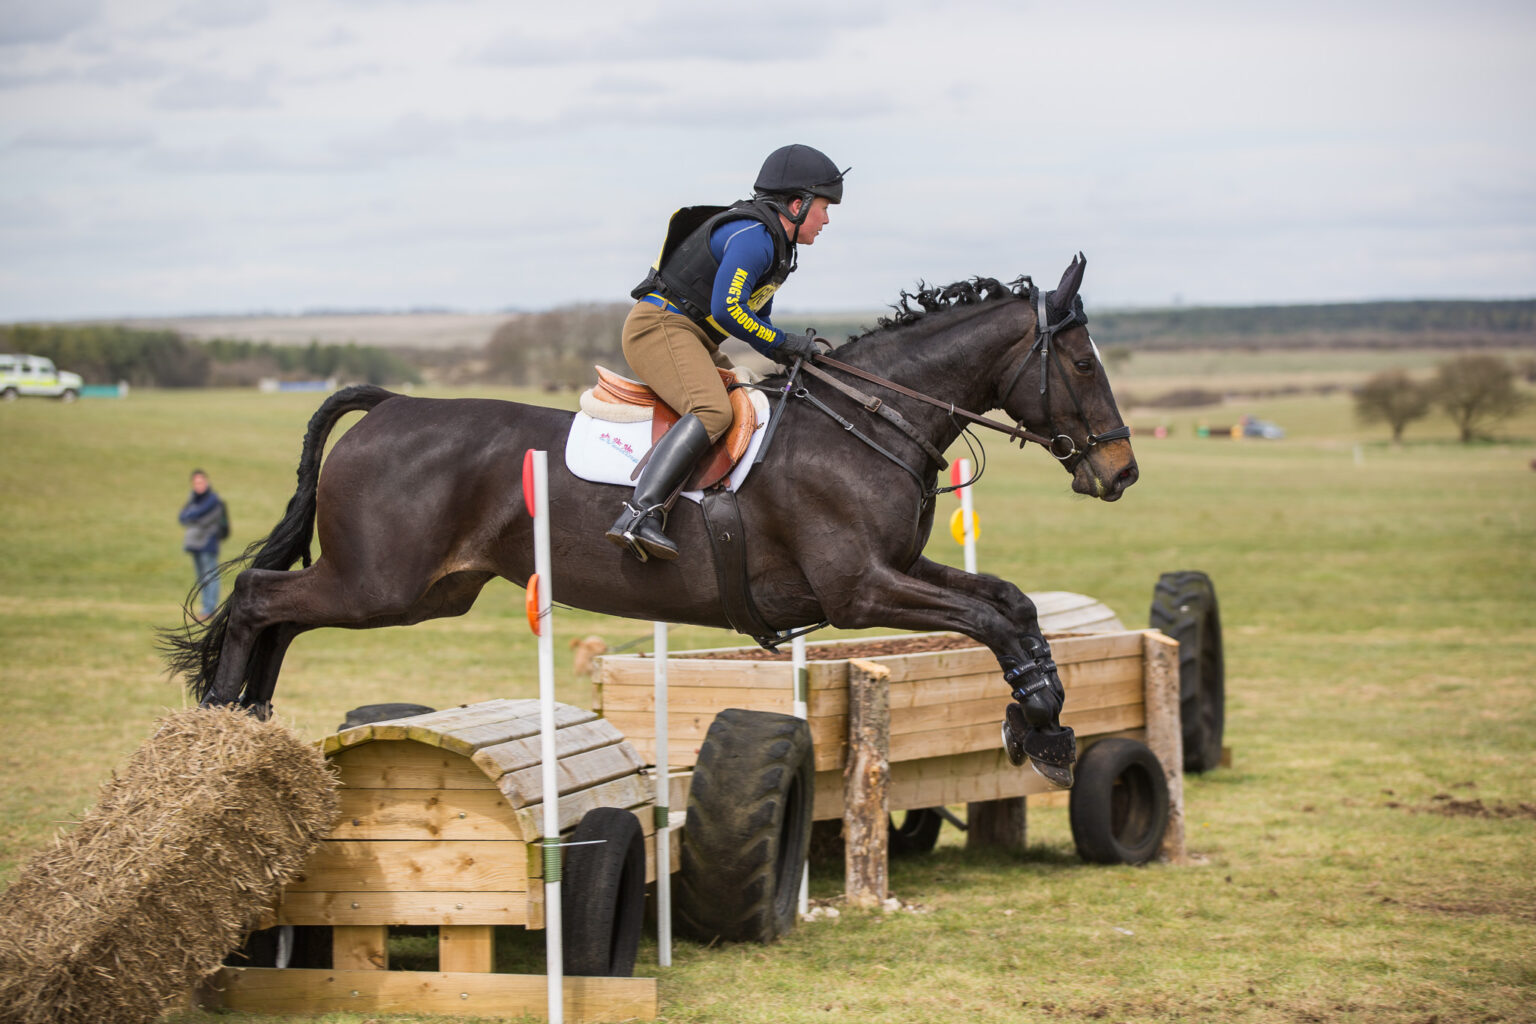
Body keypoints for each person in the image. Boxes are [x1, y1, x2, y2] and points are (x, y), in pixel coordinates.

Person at [605, 143, 848, 562]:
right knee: (713, 412)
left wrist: (791, 357)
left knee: (755, 402)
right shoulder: (754, 239)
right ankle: (637, 513)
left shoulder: (778, 249)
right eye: (824, 207)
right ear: (797, 204)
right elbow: (728, 309)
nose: (826, 219)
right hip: (659, 327)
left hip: (693, 336)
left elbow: (758, 324)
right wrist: (784, 343)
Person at [179, 468, 224, 620]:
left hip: (207, 543)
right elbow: (182, 516)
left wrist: (193, 516)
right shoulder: (193, 499)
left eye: (201, 482)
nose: (199, 485)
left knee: (210, 575)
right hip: (195, 544)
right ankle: (206, 607)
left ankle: (210, 609)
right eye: (196, 482)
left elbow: (204, 520)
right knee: (201, 577)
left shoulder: (213, 500)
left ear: (206, 482)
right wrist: (193, 516)